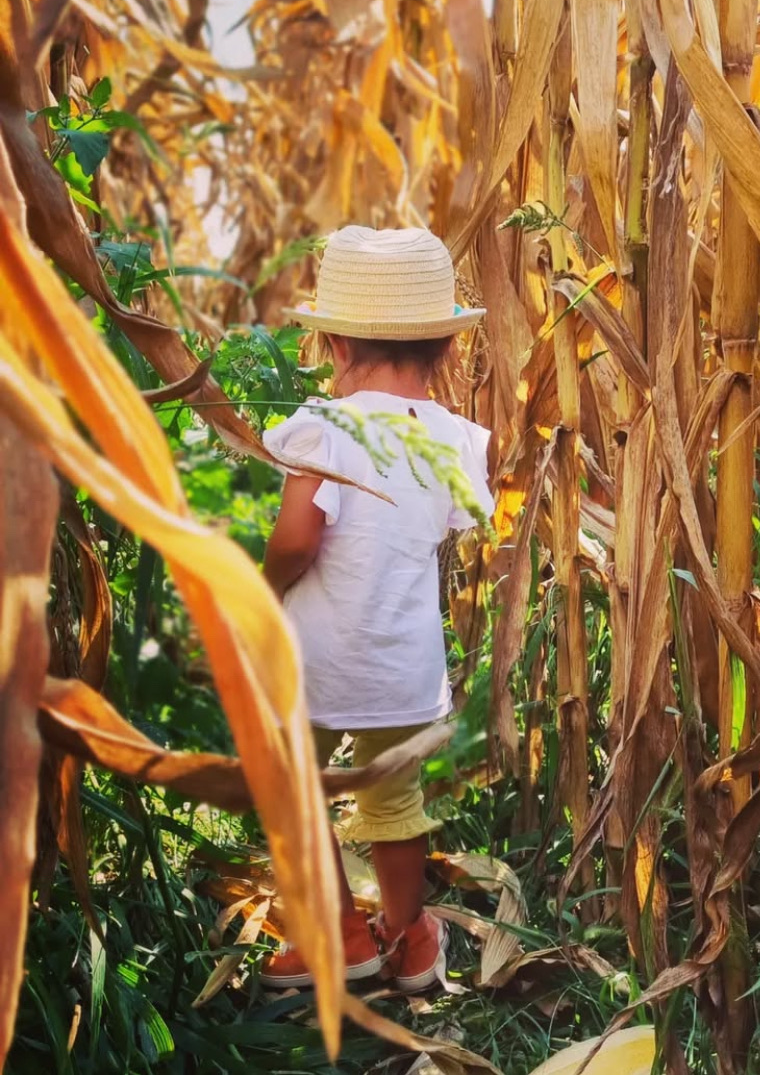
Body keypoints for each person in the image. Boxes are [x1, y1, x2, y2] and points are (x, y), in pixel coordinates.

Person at [257, 226, 493, 992]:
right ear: (446, 351)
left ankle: (340, 934)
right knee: (395, 802)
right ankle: (411, 937)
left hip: (320, 658)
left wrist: (264, 589)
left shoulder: (327, 428)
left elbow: (297, 538)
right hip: (404, 660)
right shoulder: (457, 441)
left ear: (331, 344)